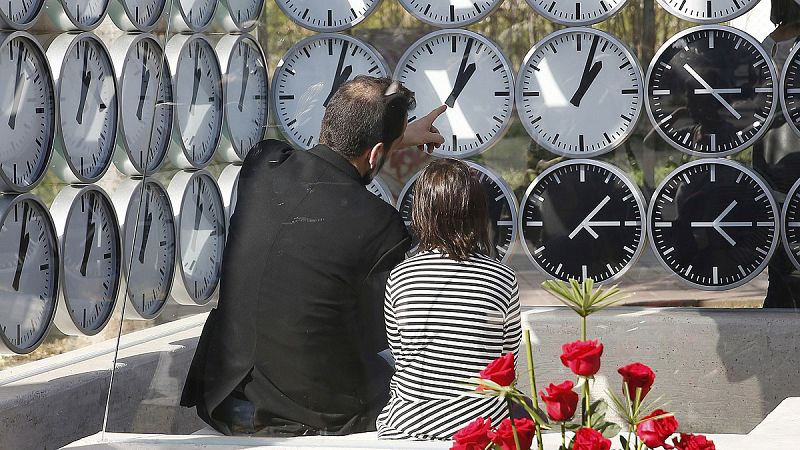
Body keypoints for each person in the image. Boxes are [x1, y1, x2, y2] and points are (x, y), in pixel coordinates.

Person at [180, 76, 446, 436]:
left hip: (225, 398)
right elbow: (379, 337)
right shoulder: (381, 225)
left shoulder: (262, 165)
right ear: (375, 154)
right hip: (315, 416)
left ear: (327, 121)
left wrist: (390, 141)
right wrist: (393, 142)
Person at [376, 159, 522, 440]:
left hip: (409, 424)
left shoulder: (400, 277)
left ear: (421, 213)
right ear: (479, 213)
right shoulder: (503, 278)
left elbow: (400, 354)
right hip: (480, 426)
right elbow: (507, 363)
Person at [755, 0, 800, 308]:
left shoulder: (767, 43)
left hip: (770, 146)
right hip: (784, 148)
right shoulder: (772, 42)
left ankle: (779, 302)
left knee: (781, 231)